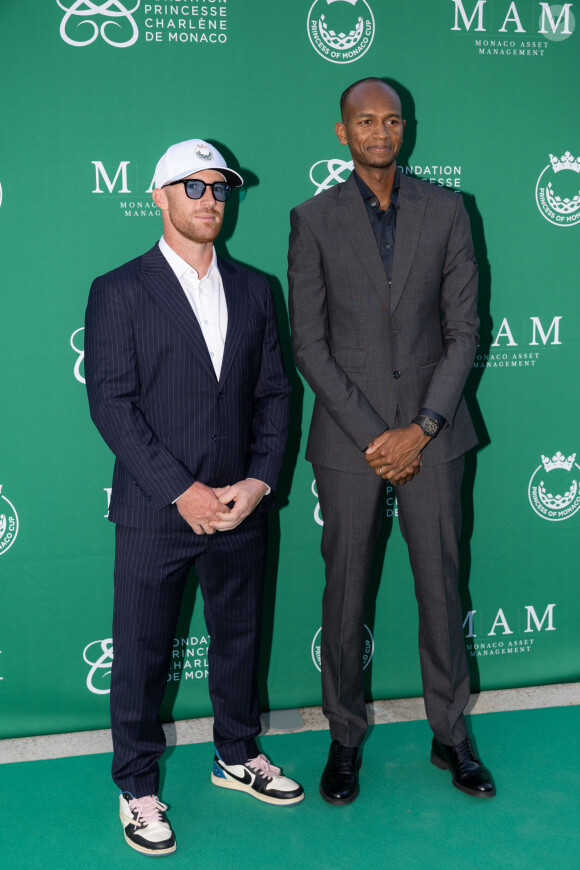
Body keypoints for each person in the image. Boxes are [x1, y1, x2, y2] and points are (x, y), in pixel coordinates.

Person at [85, 138, 303, 857]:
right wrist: (181, 491)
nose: (210, 199)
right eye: (194, 187)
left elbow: (275, 394)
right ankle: (138, 787)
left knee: (240, 638)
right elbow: (113, 406)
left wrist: (258, 482)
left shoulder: (254, 288)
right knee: (143, 652)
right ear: (159, 195)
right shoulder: (119, 288)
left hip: (240, 507)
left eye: (220, 188)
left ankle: (237, 755)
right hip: (156, 511)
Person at [288, 79, 495, 805]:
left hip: (434, 435)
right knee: (345, 593)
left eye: (392, 119)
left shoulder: (448, 211)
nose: (381, 130)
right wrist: (379, 435)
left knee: (441, 585)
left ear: (404, 129)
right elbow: (309, 344)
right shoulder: (312, 220)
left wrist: (423, 428)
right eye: (364, 120)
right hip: (351, 441)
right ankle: (344, 737)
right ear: (342, 133)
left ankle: (451, 734)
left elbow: (464, 331)